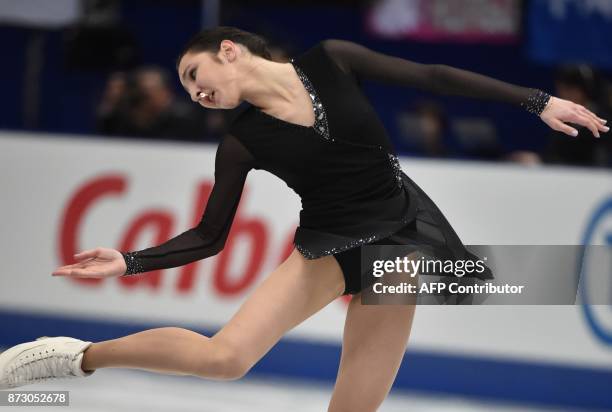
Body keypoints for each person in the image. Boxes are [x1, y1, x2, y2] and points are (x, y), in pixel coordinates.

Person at [1, 26, 608, 411]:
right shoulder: (240, 141)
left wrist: (538, 101)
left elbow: (434, 77)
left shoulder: (332, 61)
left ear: (229, 51)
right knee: (226, 360)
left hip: (400, 238)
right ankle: (71, 356)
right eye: (186, 89)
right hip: (328, 246)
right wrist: (129, 261)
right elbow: (210, 236)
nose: (194, 93)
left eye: (195, 76)